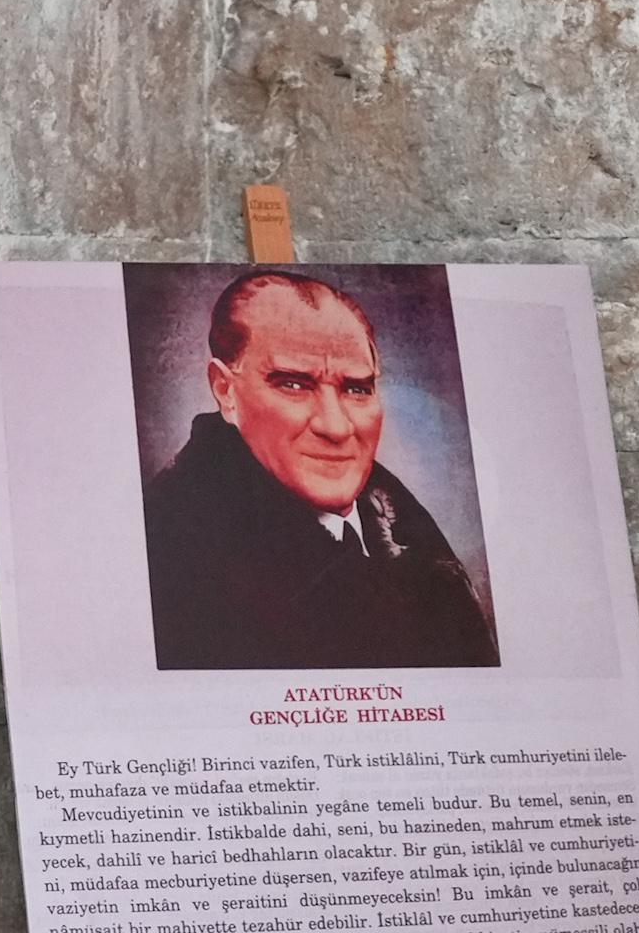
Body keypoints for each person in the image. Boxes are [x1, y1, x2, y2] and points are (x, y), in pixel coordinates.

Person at [141, 269, 498, 671]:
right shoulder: (173, 548)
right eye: (293, 384)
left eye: (357, 388)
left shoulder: (399, 519)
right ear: (226, 390)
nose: (336, 426)